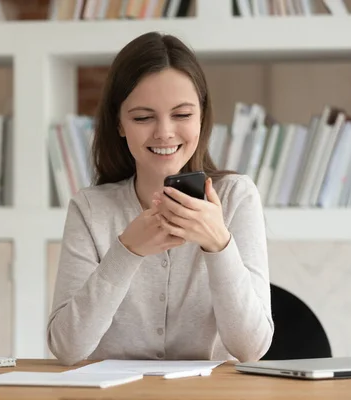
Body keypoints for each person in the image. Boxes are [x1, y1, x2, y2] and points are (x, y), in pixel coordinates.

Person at [47, 31, 273, 366]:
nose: (164, 132)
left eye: (182, 115)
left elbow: (251, 348)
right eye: (142, 117)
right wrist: (126, 251)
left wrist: (218, 244)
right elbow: (67, 348)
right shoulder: (90, 208)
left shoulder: (237, 197)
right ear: (120, 123)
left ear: (202, 116)